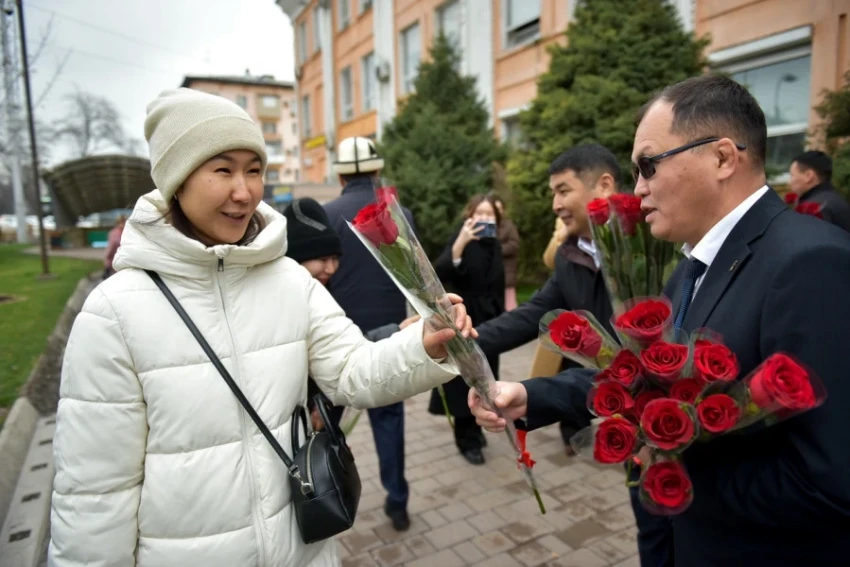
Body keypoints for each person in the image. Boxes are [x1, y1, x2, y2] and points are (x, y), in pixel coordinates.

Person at [48, 89, 474, 567]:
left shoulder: (290, 279)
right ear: (176, 179)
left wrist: (424, 345)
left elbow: (353, 371)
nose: (244, 191)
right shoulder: (113, 313)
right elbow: (95, 496)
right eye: (223, 170)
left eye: (254, 170)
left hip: (303, 552)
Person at [471, 74, 850, 567]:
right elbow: (639, 377)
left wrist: (672, 470)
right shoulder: (695, 263)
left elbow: (829, 481)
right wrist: (529, 396)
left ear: (722, 158)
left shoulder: (810, 262)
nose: (638, 188)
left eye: (648, 165)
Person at [473, 145, 620, 450]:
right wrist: (464, 341)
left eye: (563, 191)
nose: (555, 205)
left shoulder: (653, 243)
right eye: (553, 194)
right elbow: (534, 313)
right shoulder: (569, 255)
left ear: (604, 185)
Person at [323, 136, 416, 531]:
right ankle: (397, 502)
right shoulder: (399, 213)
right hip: (390, 333)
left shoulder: (326, 214)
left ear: (340, 175)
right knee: (389, 419)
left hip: (336, 335)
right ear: (378, 170)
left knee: (327, 422)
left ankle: (327, 495)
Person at [282, 197, 419, 430]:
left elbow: (334, 353)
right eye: (322, 259)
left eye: (335, 259)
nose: (331, 268)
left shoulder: (322, 294)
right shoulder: (281, 304)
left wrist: (397, 331)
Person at [430, 193, 505, 465]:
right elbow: (439, 272)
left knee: (485, 377)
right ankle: (465, 439)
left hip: (489, 321)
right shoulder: (460, 238)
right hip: (464, 318)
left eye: (490, 214)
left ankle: (476, 427)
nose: (484, 219)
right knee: (462, 381)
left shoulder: (494, 244)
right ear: (470, 215)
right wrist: (461, 242)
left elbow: (498, 283)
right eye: (480, 213)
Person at [788, 150, 850, 232]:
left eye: (792, 175)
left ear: (808, 176)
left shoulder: (812, 208)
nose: (789, 182)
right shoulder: (836, 199)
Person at [490, 194, 520, 311]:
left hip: (506, 274)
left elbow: (514, 245)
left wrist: (497, 250)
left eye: (500, 208)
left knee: (510, 307)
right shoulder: (487, 226)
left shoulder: (509, 226)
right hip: (490, 277)